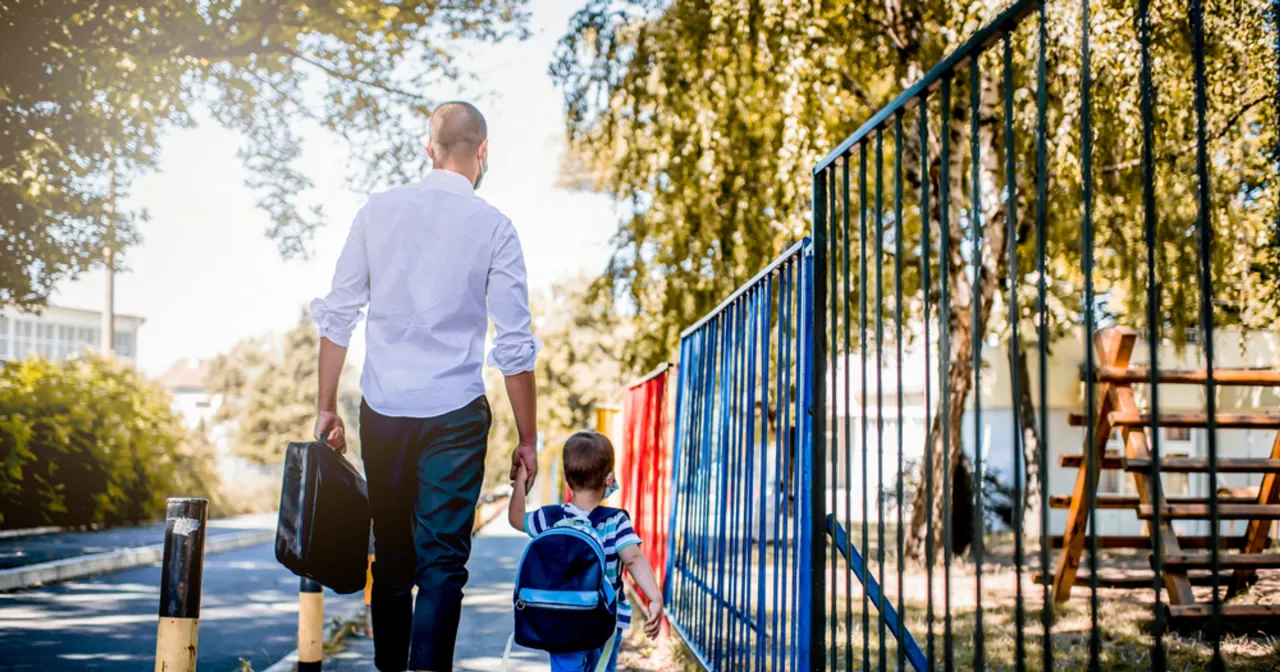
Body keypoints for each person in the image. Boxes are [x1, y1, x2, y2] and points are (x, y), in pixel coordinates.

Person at [311, 101, 541, 672]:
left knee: (392, 557)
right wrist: (528, 438)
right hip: (456, 414)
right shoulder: (494, 227)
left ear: (428, 148)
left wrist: (326, 407)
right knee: (442, 565)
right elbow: (514, 345)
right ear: (482, 151)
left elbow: (338, 317)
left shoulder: (377, 212)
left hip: (384, 410)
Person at [508, 431, 663, 671]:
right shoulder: (615, 521)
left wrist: (521, 480)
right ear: (609, 479)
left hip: (560, 616)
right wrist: (654, 597)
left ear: (566, 478)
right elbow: (633, 558)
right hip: (604, 619)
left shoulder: (550, 518)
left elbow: (516, 518)